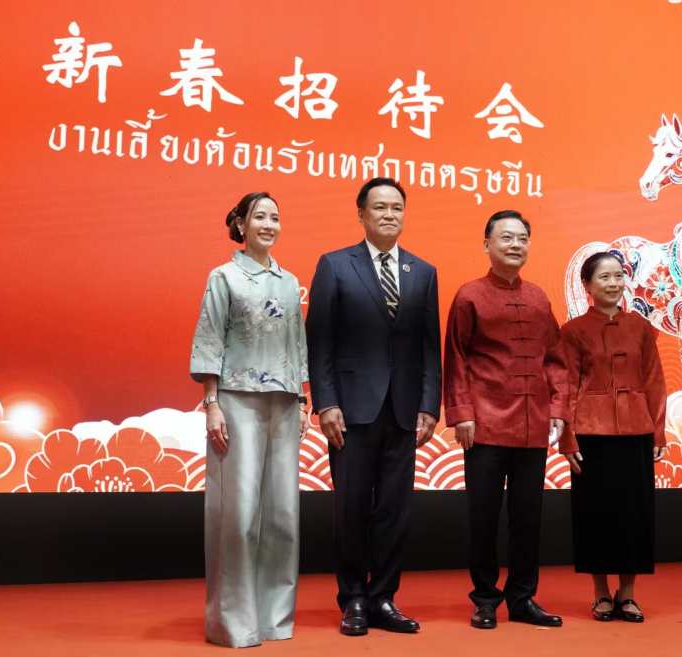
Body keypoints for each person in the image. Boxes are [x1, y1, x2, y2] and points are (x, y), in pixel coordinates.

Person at [306, 177, 441, 636]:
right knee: (351, 509)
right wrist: (326, 402)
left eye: (396, 207)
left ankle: (384, 597)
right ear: (361, 213)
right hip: (351, 410)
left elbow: (429, 347)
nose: (389, 214)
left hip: (403, 410)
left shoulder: (423, 272)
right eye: (380, 207)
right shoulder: (335, 265)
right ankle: (354, 600)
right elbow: (320, 340)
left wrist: (429, 404)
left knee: (394, 510)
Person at [189, 192, 309, 648]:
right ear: (240, 224)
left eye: (275, 217)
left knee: (282, 514)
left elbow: (298, 345)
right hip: (236, 402)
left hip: (284, 402)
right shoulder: (223, 277)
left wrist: (302, 400)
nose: (269, 224)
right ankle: (233, 623)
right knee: (237, 516)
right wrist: (212, 403)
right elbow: (209, 340)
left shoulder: (289, 282)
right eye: (260, 216)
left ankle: (274, 619)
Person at [443, 210, 568, 630]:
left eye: (522, 239)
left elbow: (555, 359)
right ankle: (484, 599)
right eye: (506, 238)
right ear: (487, 245)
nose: (516, 245)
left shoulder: (539, 298)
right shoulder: (469, 296)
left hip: (533, 426)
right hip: (485, 425)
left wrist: (558, 409)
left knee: (527, 518)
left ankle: (522, 598)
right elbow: (456, 358)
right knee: (483, 518)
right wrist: (461, 413)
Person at [553, 251, 666, 623]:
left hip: (636, 430)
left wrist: (659, 431)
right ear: (587, 285)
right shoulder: (573, 331)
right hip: (591, 433)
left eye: (618, 275)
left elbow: (654, 381)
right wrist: (567, 438)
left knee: (635, 513)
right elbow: (567, 386)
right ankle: (600, 593)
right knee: (595, 514)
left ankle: (628, 594)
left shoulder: (641, 328)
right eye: (604, 277)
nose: (614, 283)